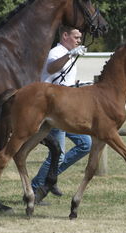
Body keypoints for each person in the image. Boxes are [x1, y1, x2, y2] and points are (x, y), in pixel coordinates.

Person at [31, 26, 92, 205]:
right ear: (65, 36)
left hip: (67, 109)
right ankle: (36, 188)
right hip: (53, 110)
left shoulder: (67, 53)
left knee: (85, 144)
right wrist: (71, 53)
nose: (79, 40)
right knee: (60, 154)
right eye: (76, 37)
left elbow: (64, 82)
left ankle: (51, 178)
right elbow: (51, 68)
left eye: (80, 38)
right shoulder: (56, 52)